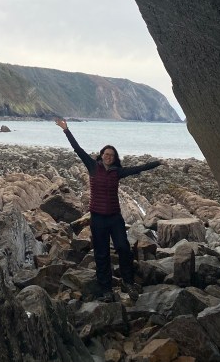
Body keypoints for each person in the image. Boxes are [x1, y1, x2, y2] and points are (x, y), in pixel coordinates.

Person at [55, 118, 162, 302]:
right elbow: (77, 149)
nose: (108, 156)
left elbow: (138, 169)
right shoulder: (92, 167)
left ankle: (127, 282)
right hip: (97, 219)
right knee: (101, 253)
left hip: (114, 218)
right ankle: (106, 289)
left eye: (111, 155)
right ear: (101, 154)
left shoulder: (117, 172)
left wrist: (157, 163)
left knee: (123, 248)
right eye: (106, 153)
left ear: (114, 158)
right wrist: (66, 130)